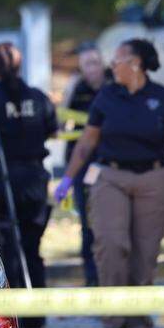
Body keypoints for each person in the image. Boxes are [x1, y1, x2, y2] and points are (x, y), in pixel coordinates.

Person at [54, 38, 164, 328]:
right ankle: (113, 318)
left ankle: (139, 323)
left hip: (154, 177)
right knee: (110, 244)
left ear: (136, 64)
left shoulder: (163, 98)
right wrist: (66, 179)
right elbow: (87, 141)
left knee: (145, 251)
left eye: (118, 61)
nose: (112, 66)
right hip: (110, 176)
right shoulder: (106, 97)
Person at [0, 42, 58, 328]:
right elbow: (51, 128)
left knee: (6, 248)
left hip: (2, 182)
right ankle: (37, 315)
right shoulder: (38, 97)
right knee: (31, 248)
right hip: (34, 179)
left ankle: (15, 313)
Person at [61, 42, 111, 287]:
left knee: (112, 222)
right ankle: (92, 278)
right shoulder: (77, 88)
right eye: (86, 65)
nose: (92, 69)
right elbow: (61, 125)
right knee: (88, 224)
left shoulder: (115, 84)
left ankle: (112, 274)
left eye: (95, 62)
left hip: (111, 163)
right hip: (84, 164)